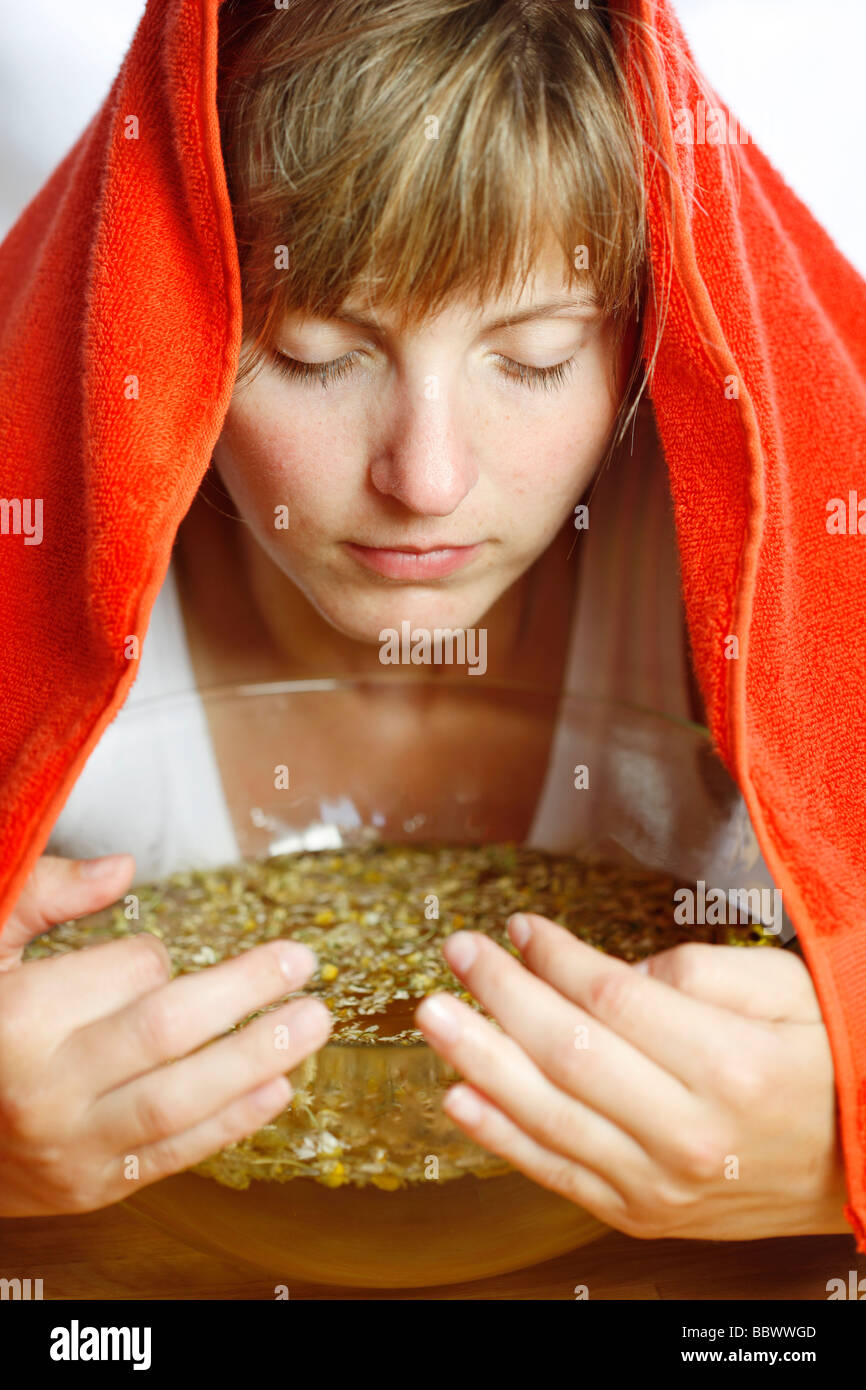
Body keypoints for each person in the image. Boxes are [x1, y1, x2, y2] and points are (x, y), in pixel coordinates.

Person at [0, 0, 863, 1248]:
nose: (427, 477)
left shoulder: (772, 523)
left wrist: (833, 1152)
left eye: (533, 355)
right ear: (175, 321)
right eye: (312, 354)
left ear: (642, 326)